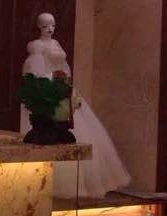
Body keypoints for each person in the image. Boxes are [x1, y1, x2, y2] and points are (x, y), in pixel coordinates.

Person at [20, 12, 131, 198]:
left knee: (73, 130)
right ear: (39, 26)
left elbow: (64, 66)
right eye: (46, 25)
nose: (50, 29)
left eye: (52, 25)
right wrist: (44, 86)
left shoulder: (56, 44)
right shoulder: (36, 47)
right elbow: (33, 69)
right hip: (46, 90)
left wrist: (65, 84)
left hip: (59, 88)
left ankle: (78, 183)